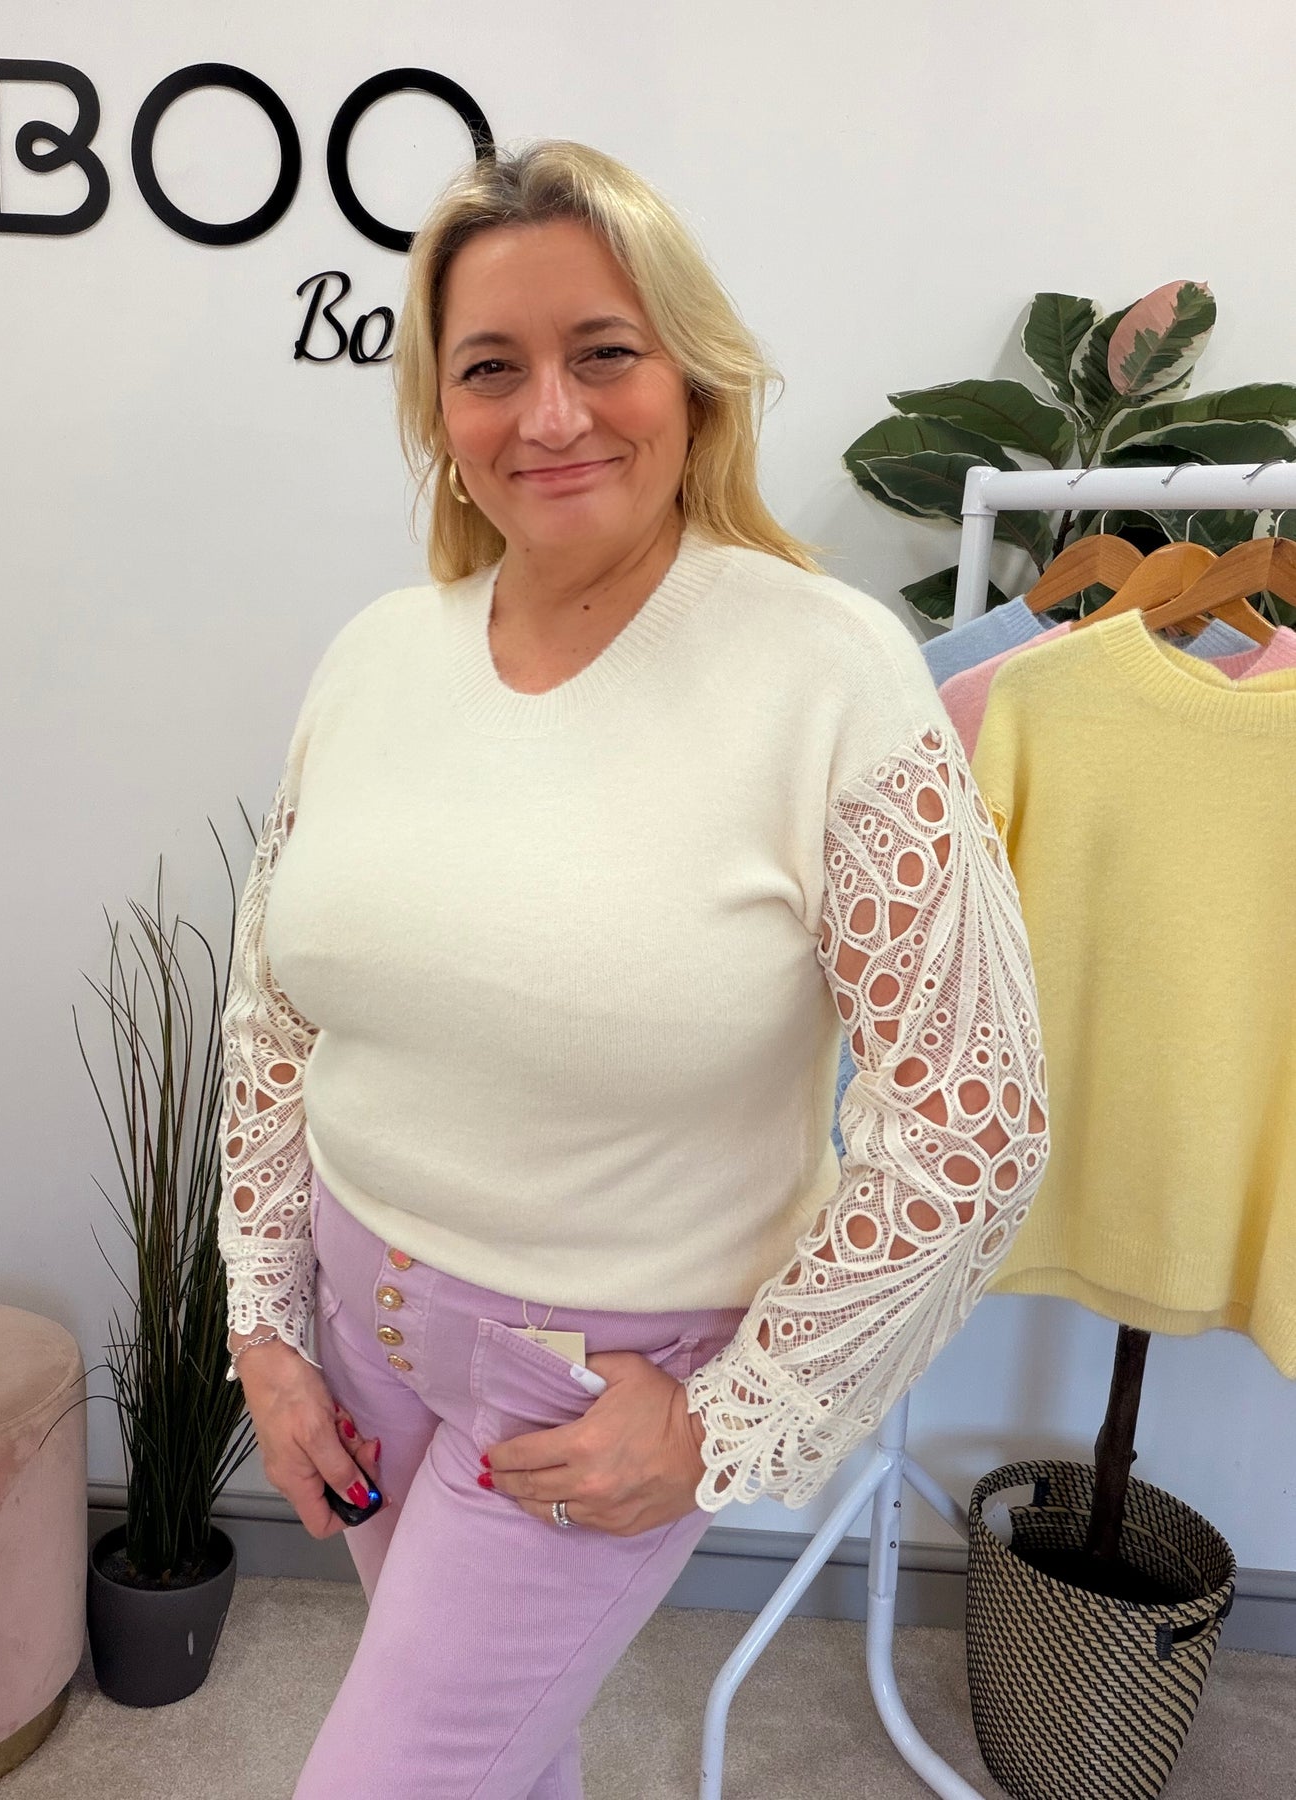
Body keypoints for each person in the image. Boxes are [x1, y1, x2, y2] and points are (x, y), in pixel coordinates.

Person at [216, 139, 1049, 1800]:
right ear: (437, 411)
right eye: (489, 368)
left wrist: (731, 1419)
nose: (550, 415)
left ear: (691, 377)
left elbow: (972, 1118)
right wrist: (266, 1322)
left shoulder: (820, 672)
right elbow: (274, 1016)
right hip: (358, 1334)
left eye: (603, 351)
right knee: (503, 1760)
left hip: (588, 1393)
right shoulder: (376, 657)